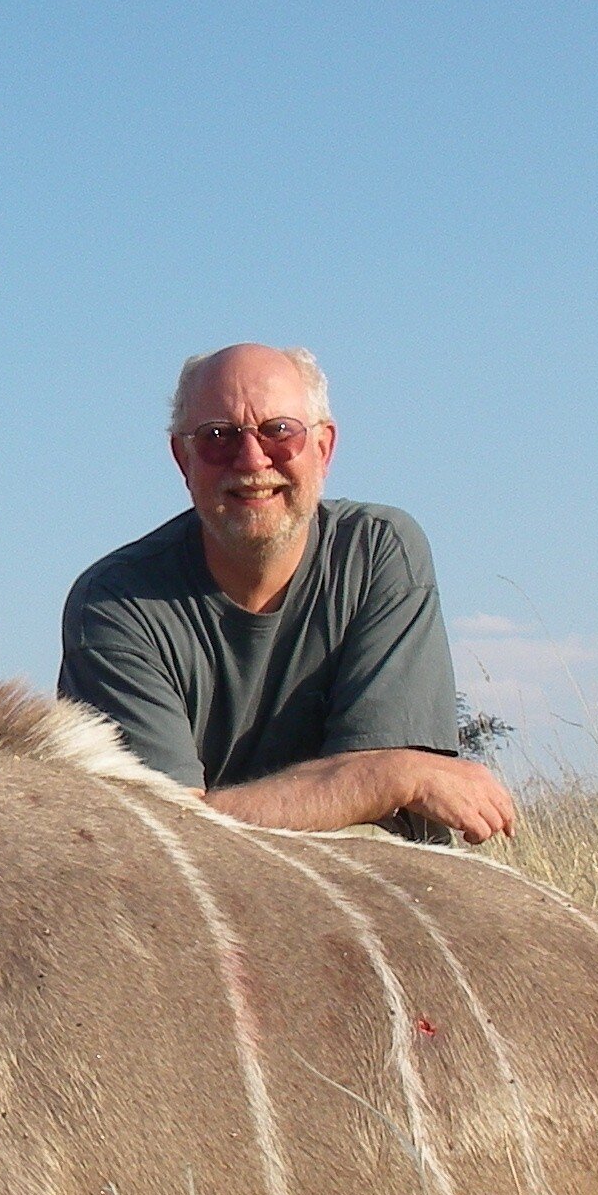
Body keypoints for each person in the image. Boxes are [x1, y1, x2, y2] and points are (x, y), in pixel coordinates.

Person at [59, 343, 517, 841]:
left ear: (323, 448)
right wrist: (392, 775)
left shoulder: (380, 550)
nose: (252, 458)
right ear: (182, 457)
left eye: (279, 431)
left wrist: (386, 780)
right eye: (218, 437)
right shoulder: (113, 605)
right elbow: (170, 840)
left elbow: (392, 825)